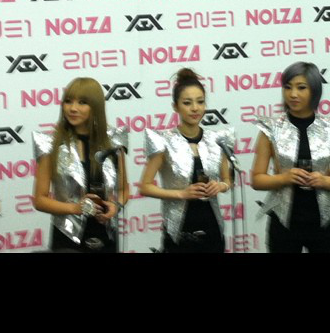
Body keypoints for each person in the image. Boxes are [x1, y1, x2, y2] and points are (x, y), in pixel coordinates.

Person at [251, 61, 330, 253]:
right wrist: (285, 178)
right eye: (288, 87)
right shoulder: (270, 129)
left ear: (314, 90)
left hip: (325, 221)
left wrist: (324, 181)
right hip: (284, 223)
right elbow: (257, 180)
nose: (293, 94)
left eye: (301, 87)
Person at [140, 68, 233, 253]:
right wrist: (182, 193)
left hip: (212, 228)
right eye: (187, 103)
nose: (195, 108)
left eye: (200, 101)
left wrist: (220, 186)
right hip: (179, 231)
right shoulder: (164, 141)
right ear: (175, 106)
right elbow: (145, 187)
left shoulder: (217, 140)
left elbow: (227, 180)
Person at [33, 77, 129, 253]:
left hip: (106, 236)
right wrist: (75, 208)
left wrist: (116, 207)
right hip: (67, 238)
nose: (73, 108)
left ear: (96, 106)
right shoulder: (50, 145)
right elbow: (39, 200)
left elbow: (124, 190)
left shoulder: (113, 141)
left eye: (82, 102)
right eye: (68, 101)